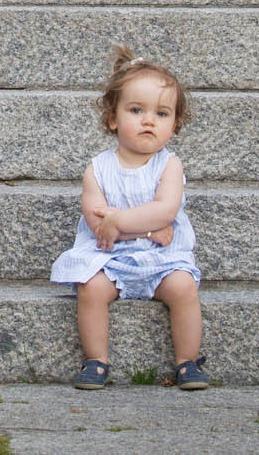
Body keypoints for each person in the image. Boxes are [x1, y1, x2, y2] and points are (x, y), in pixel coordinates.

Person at [50, 45, 208, 391]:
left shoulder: (169, 165)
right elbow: (98, 225)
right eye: (137, 110)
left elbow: (166, 209)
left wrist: (119, 219)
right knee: (90, 288)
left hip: (162, 259)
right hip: (112, 257)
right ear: (113, 118)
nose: (149, 120)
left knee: (183, 288)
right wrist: (148, 228)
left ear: (175, 124)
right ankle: (96, 360)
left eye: (162, 114)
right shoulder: (98, 168)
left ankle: (188, 361)